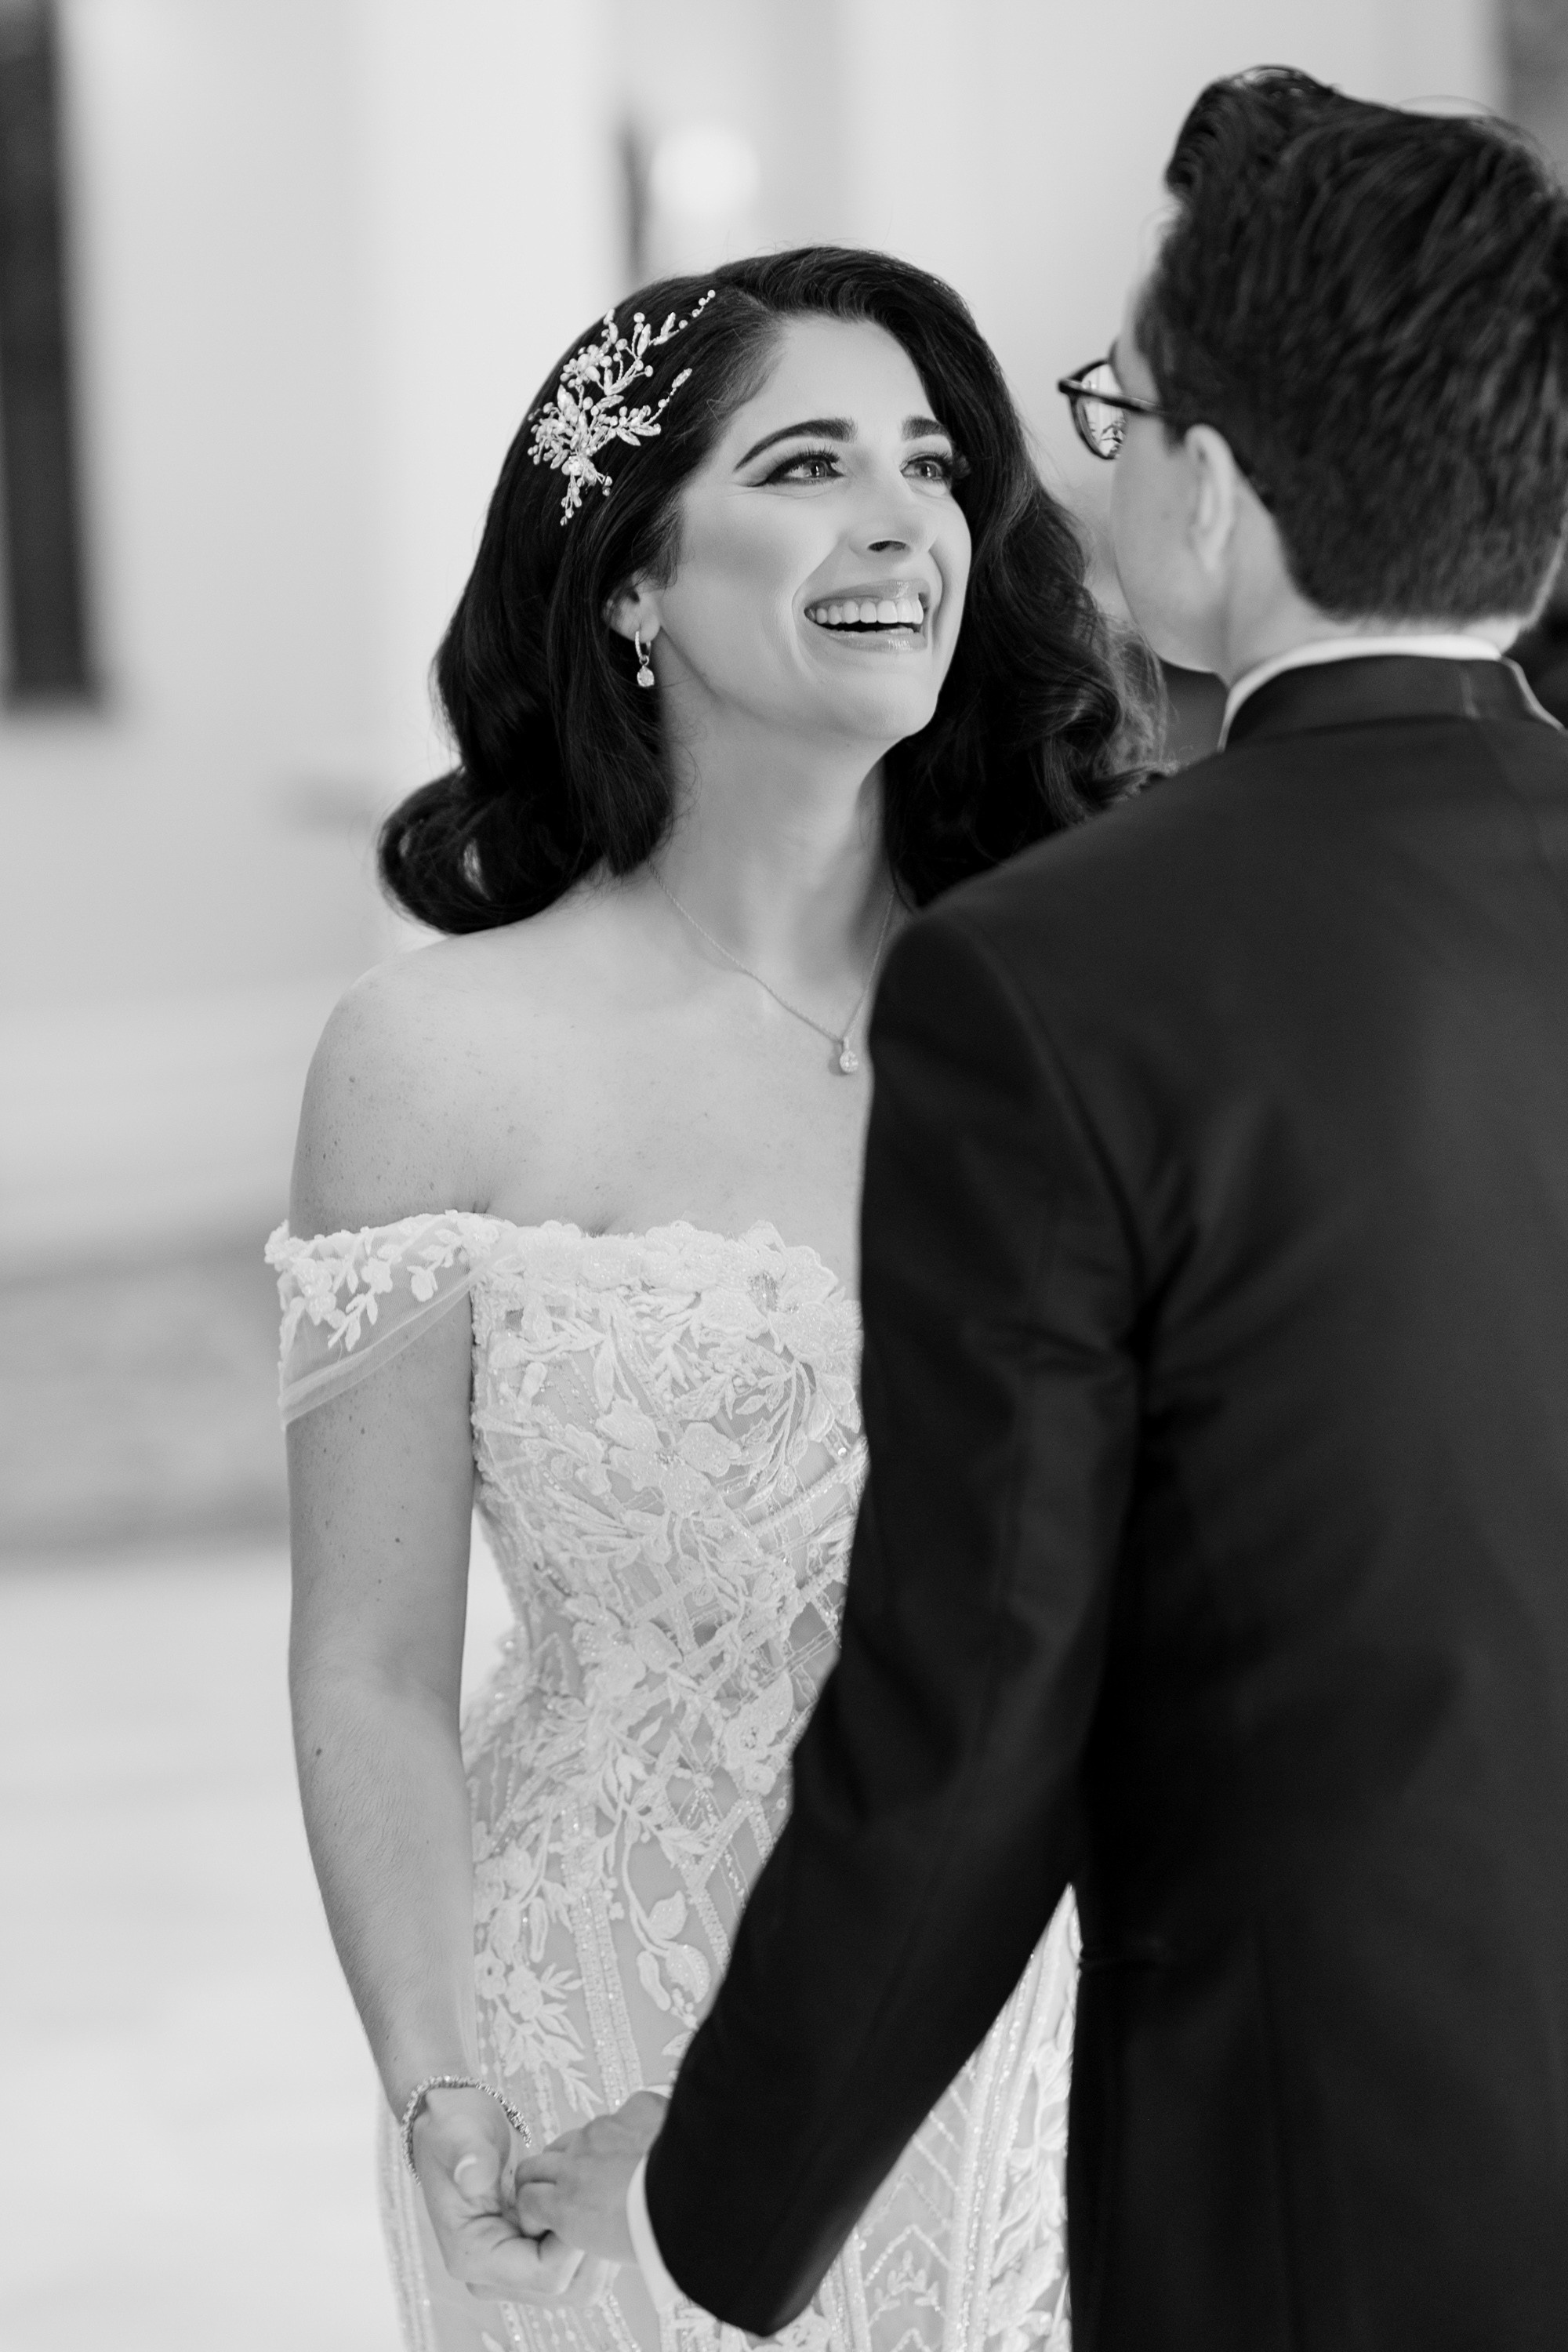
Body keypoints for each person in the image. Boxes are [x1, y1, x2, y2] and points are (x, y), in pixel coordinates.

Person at [514, 70, 1568, 2351]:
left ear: (1206, 480)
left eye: (1118, 410)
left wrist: (713, 2194)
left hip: (1338, 2175)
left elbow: (975, 1710)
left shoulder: (1060, 970)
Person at [268, 245, 1149, 2350]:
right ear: (635, 583)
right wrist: (440, 2090)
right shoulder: (434, 1061)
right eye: (808, 461)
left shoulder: (1100, 996)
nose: (900, 520)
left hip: (1039, 2044)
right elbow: (371, 1667)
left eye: (934, 467)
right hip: (589, 2023)